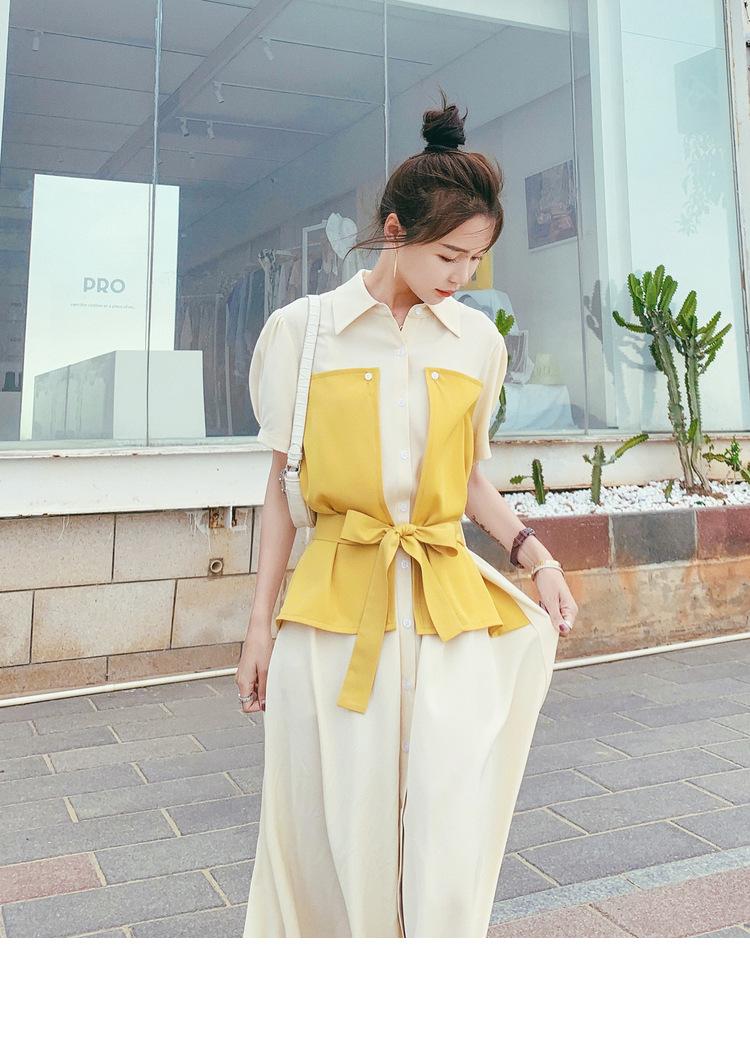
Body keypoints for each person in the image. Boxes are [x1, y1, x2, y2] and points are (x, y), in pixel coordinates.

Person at [235, 91, 579, 938]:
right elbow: (280, 492)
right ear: (395, 231)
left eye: (476, 260)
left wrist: (536, 557)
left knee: (447, 821)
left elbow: (467, 480)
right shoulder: (303, 332)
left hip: (443, 603)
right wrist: (258, 626)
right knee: (333, 831)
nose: (462, 277)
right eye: (450, 255)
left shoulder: (477, 343)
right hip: (333, 608)